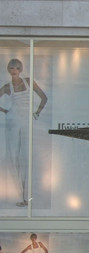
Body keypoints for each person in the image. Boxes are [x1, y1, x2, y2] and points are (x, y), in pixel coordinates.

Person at [0, 59, 47, 207]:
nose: (14, 70)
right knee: (13, 156)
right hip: (13, 122)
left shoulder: (28, 82)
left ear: (20, 69)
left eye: (16, 68)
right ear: (8, 70)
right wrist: (6, 112)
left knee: (28, 156)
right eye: (11, 68)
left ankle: (27, 196)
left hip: (27, 121)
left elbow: (44, 98)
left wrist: (36, 113)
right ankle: (18, 195)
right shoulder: (7, 87)